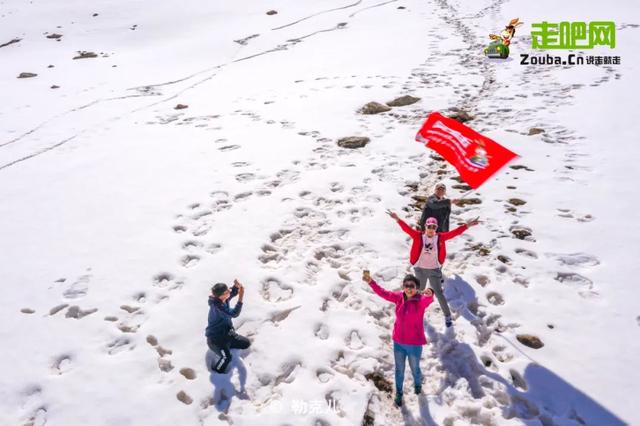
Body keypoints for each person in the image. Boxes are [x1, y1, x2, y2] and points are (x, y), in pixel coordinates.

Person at [387, 210, 479, 327]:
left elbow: (455, 233)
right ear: (425, 227)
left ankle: (447, 316)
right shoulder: (418, 236)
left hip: (434, 270)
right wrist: (397, 219)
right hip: (420, 269)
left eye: (433, 227)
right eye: (429, 226)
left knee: (439, 294)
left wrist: (467, 225)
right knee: (418, 293)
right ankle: (414, 314)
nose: (431, 229)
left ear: (436, 228)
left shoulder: (440, 238)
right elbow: (406, 229)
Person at [363, 270, 434, 407]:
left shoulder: (420, 301)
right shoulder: (399, 298)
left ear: (416, 288)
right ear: (403, 287)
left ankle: (418, 384)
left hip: (414, 344)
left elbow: (429, 298)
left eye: (412, 286)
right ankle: (399, 393)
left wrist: (430, 292)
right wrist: (371, 282)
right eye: (406, 285)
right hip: (399, 343)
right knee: (399, 370)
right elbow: (383, 293)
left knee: (415, 368)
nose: (409, 288)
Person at [205, 279, 251, 373]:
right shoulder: (218, 307)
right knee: (227, 358)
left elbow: (232, 293)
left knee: (246, 343)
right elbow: (234, 313)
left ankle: (228, 344)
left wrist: (236, 287)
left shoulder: (222, 299)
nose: (229, 291)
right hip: (216, 340)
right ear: (221, 296)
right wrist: (241, 297)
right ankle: (217, 371)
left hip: (227, 334)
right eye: (226, 291)